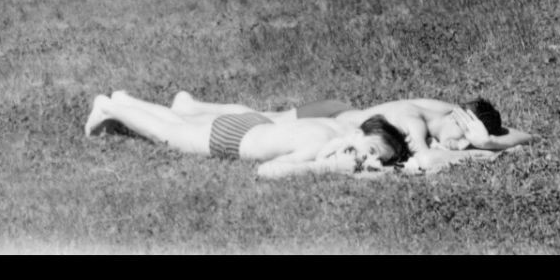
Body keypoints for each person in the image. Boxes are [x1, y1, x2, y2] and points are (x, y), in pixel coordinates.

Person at [84, 90, 411, 179]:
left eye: (373, 160)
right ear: (358, 134)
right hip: (232, 139)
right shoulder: (322, 146)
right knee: (167, 134)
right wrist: (326, 167)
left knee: (177, 124)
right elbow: (268, 170)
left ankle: (127, 101)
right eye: (368, 151)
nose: (364, 160)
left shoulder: (341, 129)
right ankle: (109, 107)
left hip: (253, 125)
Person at [167, 92, 533, 163]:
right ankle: (191, 107)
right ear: (460, 120)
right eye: (462, 138)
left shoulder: (452, 114)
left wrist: (489, 141)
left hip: (342, 115)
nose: (460, 145)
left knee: (266, 116)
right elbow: (425, 160)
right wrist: (487, 150)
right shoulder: (414, 122)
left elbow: (525, 135)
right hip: (330, 118)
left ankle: (192, 107)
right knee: (264, 119)